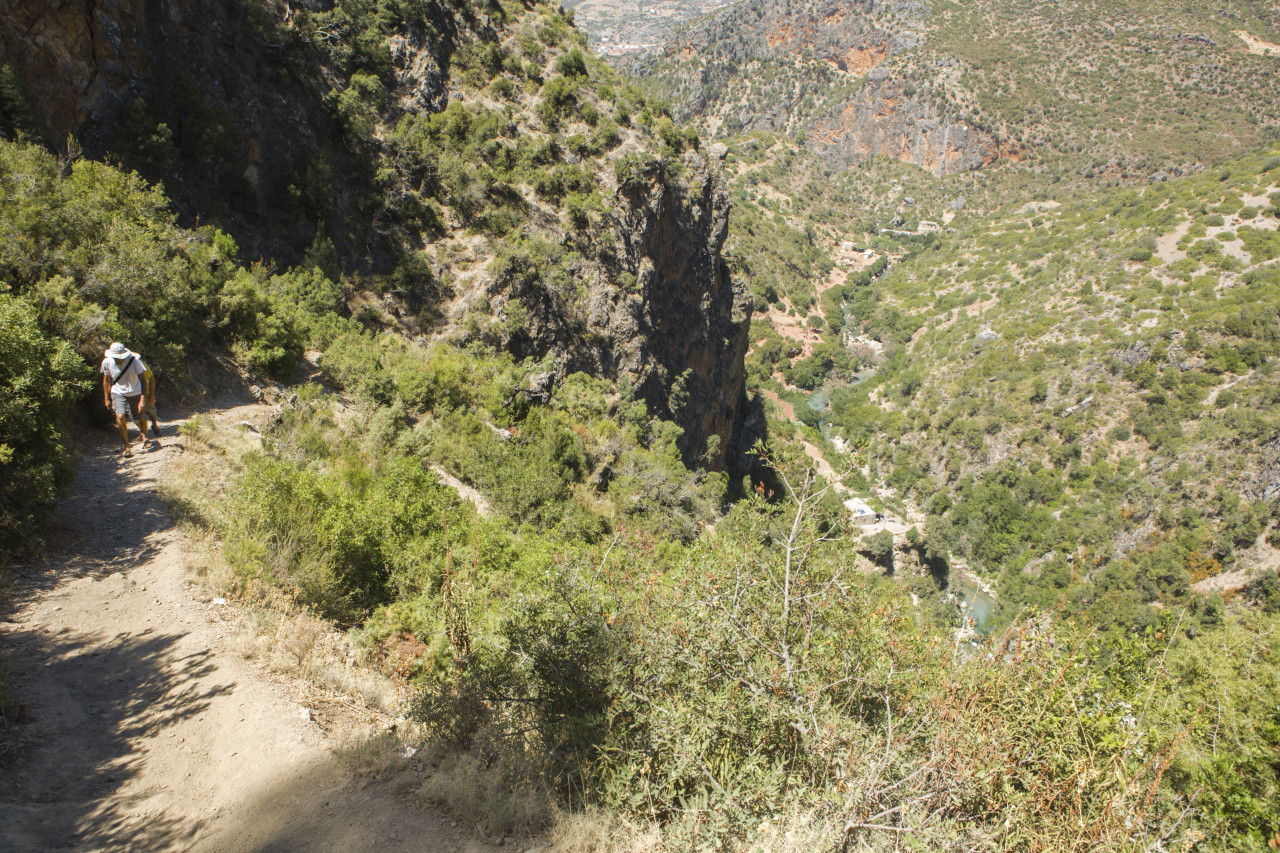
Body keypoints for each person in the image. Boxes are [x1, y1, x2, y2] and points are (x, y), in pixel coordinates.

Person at [101, 342, 160, 457]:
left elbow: (144, 380)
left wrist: (143, 398)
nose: (118, 359)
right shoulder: (107, 362)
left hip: (135, 392)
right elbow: (106, 380)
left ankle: (145, 436)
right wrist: (106, 397)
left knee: (139, 417)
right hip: (117, 392)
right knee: (120, 416)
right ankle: (127, 447)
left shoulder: (134, 361)